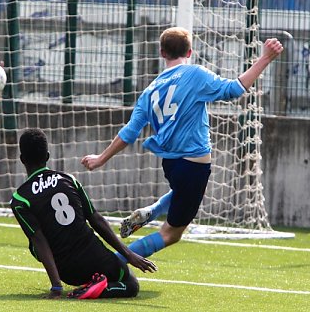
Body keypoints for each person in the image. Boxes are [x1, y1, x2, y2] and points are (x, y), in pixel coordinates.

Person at [81, 27, 284, 261]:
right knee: (171, 233)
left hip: (171, 164)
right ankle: (113, 262)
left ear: (161, 52)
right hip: (194, 164)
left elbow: (129, 132)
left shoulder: (149, 91)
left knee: (182, 192)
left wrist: (100, 159)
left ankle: (152, 211)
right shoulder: (194, 74)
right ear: (189, 52)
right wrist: (266, 58)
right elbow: (234, 90)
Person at [10, 128, 158, 299]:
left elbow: (38, 240)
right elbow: (96, 219)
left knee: (34, 239)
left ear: (22, 159)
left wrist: (57, 286)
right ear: (48, 156)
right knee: (131, 284)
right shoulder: (68, 180)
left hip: (66, 271)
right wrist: (128, 254)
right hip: (93, 255)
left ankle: (84, 286)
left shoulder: (20, 199)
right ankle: (99, 288)